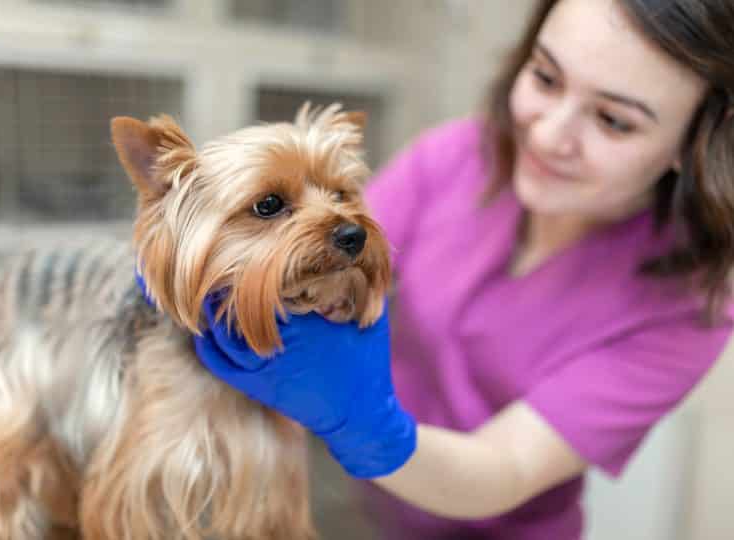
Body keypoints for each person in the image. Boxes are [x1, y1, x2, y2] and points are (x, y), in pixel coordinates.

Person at [194, 0, 734, 538]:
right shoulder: (459, 156)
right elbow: (329, 266)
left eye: (614, 121)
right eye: (545, 78)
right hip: (377, 513)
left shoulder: (691, 304)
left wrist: (367, 427)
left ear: (697, 141)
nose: (547, 136)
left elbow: (507, 467)